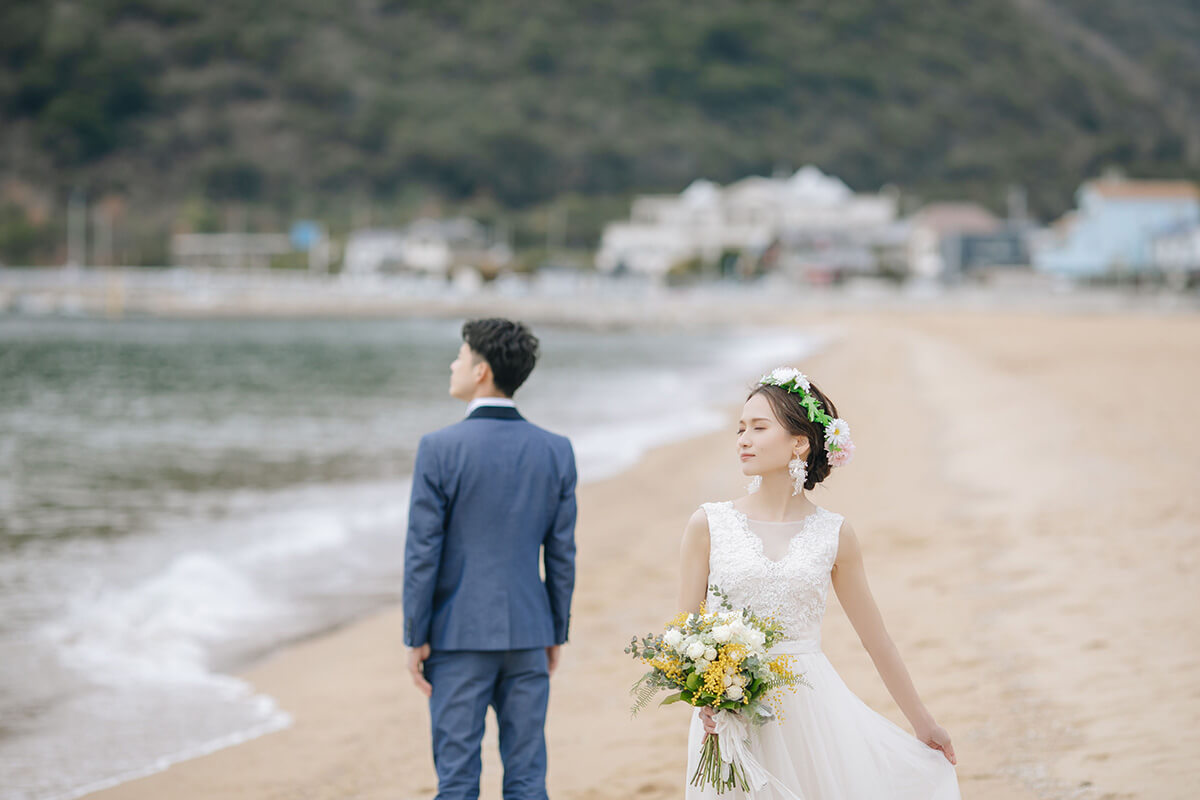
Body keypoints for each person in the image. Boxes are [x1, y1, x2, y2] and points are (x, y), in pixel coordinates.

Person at [677, 367, 961, 799]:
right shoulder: (708, 524)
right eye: (740, 428)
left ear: (799, 443)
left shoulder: (834, 534)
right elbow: (683, 633)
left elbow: (877, 639)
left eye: (758, 427)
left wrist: (924, 723)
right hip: (729, 714)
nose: (743, 439)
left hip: (810, 711)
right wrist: (703, 699)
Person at [404, 318, 577, 800]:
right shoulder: (555, 450)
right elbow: (561, 553)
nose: (453, 364)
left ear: (481, 371)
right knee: (526, 777)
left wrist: (415, 635)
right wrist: (554, 630)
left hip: (457, 637)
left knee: (457, 781)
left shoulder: (438, 449)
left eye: (460, 357)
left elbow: (423, 551)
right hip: (529, 632)